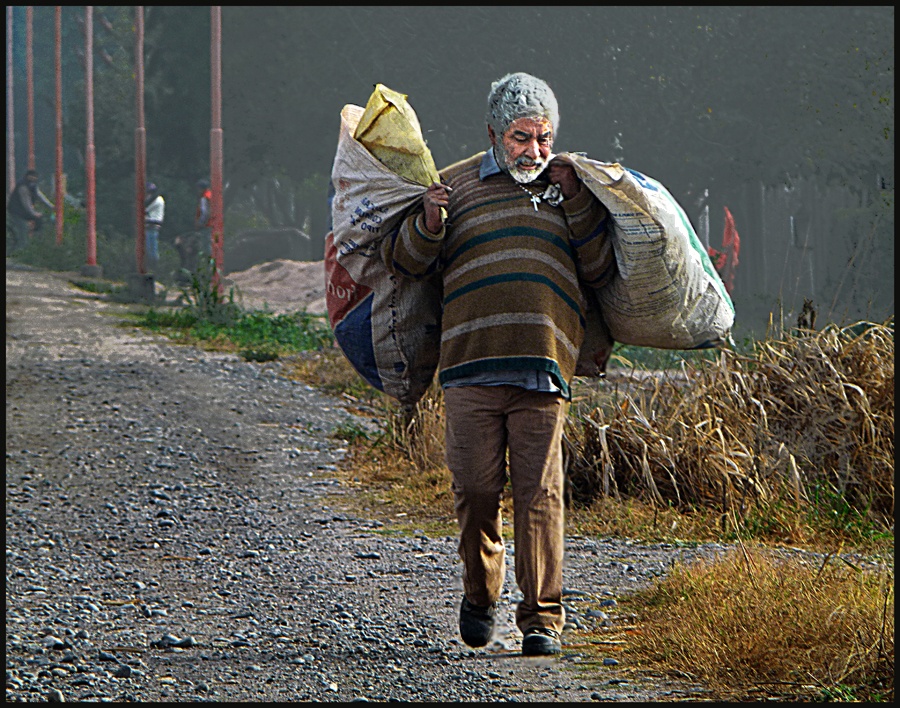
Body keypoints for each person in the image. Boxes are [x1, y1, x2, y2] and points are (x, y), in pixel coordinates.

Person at [381, 73, 615, 656]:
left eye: (544, 138)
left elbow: (600, 262)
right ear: (492, 134)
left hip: (542, 370)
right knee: (477, 492)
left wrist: (581, 200)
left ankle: (542, 618)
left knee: (541, 494)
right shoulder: (453, 187)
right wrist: (429, 223)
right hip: (469, 372)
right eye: (521, 138)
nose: (534, 152)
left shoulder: (567, 187)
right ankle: (481, 594)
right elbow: (405, 263)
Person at [7, 169, 51, 253]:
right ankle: (21, 250)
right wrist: (33, 213)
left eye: (35, 177)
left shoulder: (32, 185)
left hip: (23, 211)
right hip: (16, 211)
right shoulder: (22, 185)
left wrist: (50, 205)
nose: (34, 179)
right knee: (23, 228)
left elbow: (39, 195)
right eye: (32, 177)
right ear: (27, 176)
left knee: (39, 219)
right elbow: (26, 202)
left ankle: (36, 239)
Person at [144, 182, 165, 273]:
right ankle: (153, 268)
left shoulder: (158, 201)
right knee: (150, 248)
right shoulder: (158, 200)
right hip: (151, 225)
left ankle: (154, 268)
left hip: (152, 225)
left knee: (151, 249)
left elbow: (145, 210)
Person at [194, 178, 213, 262]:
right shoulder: (211, 195)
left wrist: (200, 223)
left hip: (207, 225)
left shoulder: (204, 198)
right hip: (213, 224)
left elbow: (205, 213)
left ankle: (209, 264)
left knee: (206, 246)